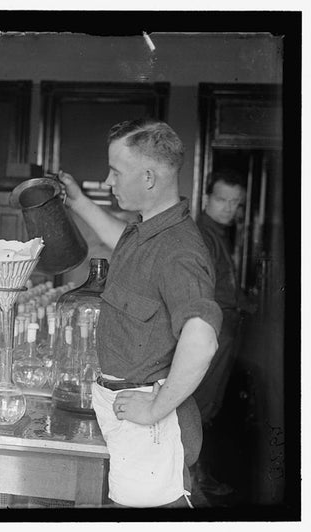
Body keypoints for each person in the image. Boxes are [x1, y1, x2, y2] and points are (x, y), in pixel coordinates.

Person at [59, 118, 222, 508]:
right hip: (126, 410)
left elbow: (201, 341)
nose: (109, 180)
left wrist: (153, 410)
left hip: (150, 423)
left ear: (148, 177)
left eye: (116, 171)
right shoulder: (149, 231)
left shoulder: (179, 251)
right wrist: (79, 202)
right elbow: (122, 243)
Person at [192, 170, 254, 497]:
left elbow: (226, 285)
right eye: (222, 200)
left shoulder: (217, 232)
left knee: (207, 406)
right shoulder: (203, 234)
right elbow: (204, 292)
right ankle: (192, 483)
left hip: (223, 330)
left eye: (235, 202)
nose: (229, 208)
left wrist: (248, 303)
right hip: (212, 330)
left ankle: (198, 476)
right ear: (205, 199)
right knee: (200, 406)